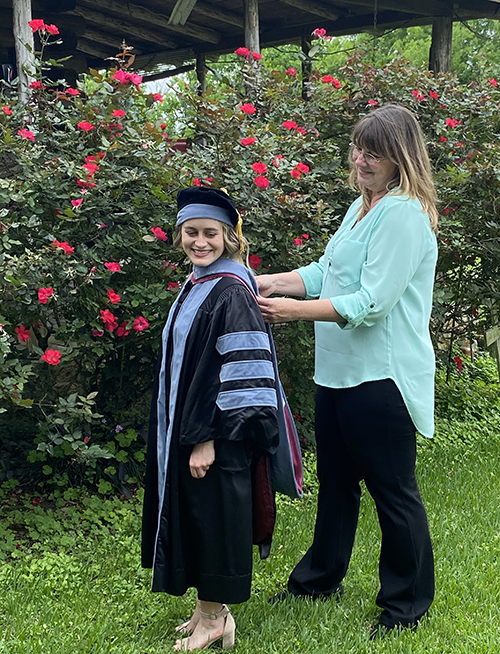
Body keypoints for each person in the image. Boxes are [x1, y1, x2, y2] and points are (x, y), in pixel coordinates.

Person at [257, 104, 437, 637]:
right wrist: (269, 282)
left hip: (380, 379)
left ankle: (406, 604)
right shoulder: (361, 207)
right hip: (335, 374)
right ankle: (319, 579)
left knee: (393, 490)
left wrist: (289, 313)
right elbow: (326, 273)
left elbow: (372, 302)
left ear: (400, 157)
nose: (361, 158)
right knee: (336, 485)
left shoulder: (403, 213)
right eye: (358, 147)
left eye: (374, 151)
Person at [141, 187, 302, 651]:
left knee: (214, 517)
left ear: (229, 237)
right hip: (190, 430)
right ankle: (209, 611)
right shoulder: (198, 284)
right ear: (179, 236)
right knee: (198, 514)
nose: (200, 242)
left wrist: (207, 438)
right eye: (191, 232)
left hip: (216, 434)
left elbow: (239, 377)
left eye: (210, 233)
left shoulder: (231, 291)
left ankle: (216, 619)